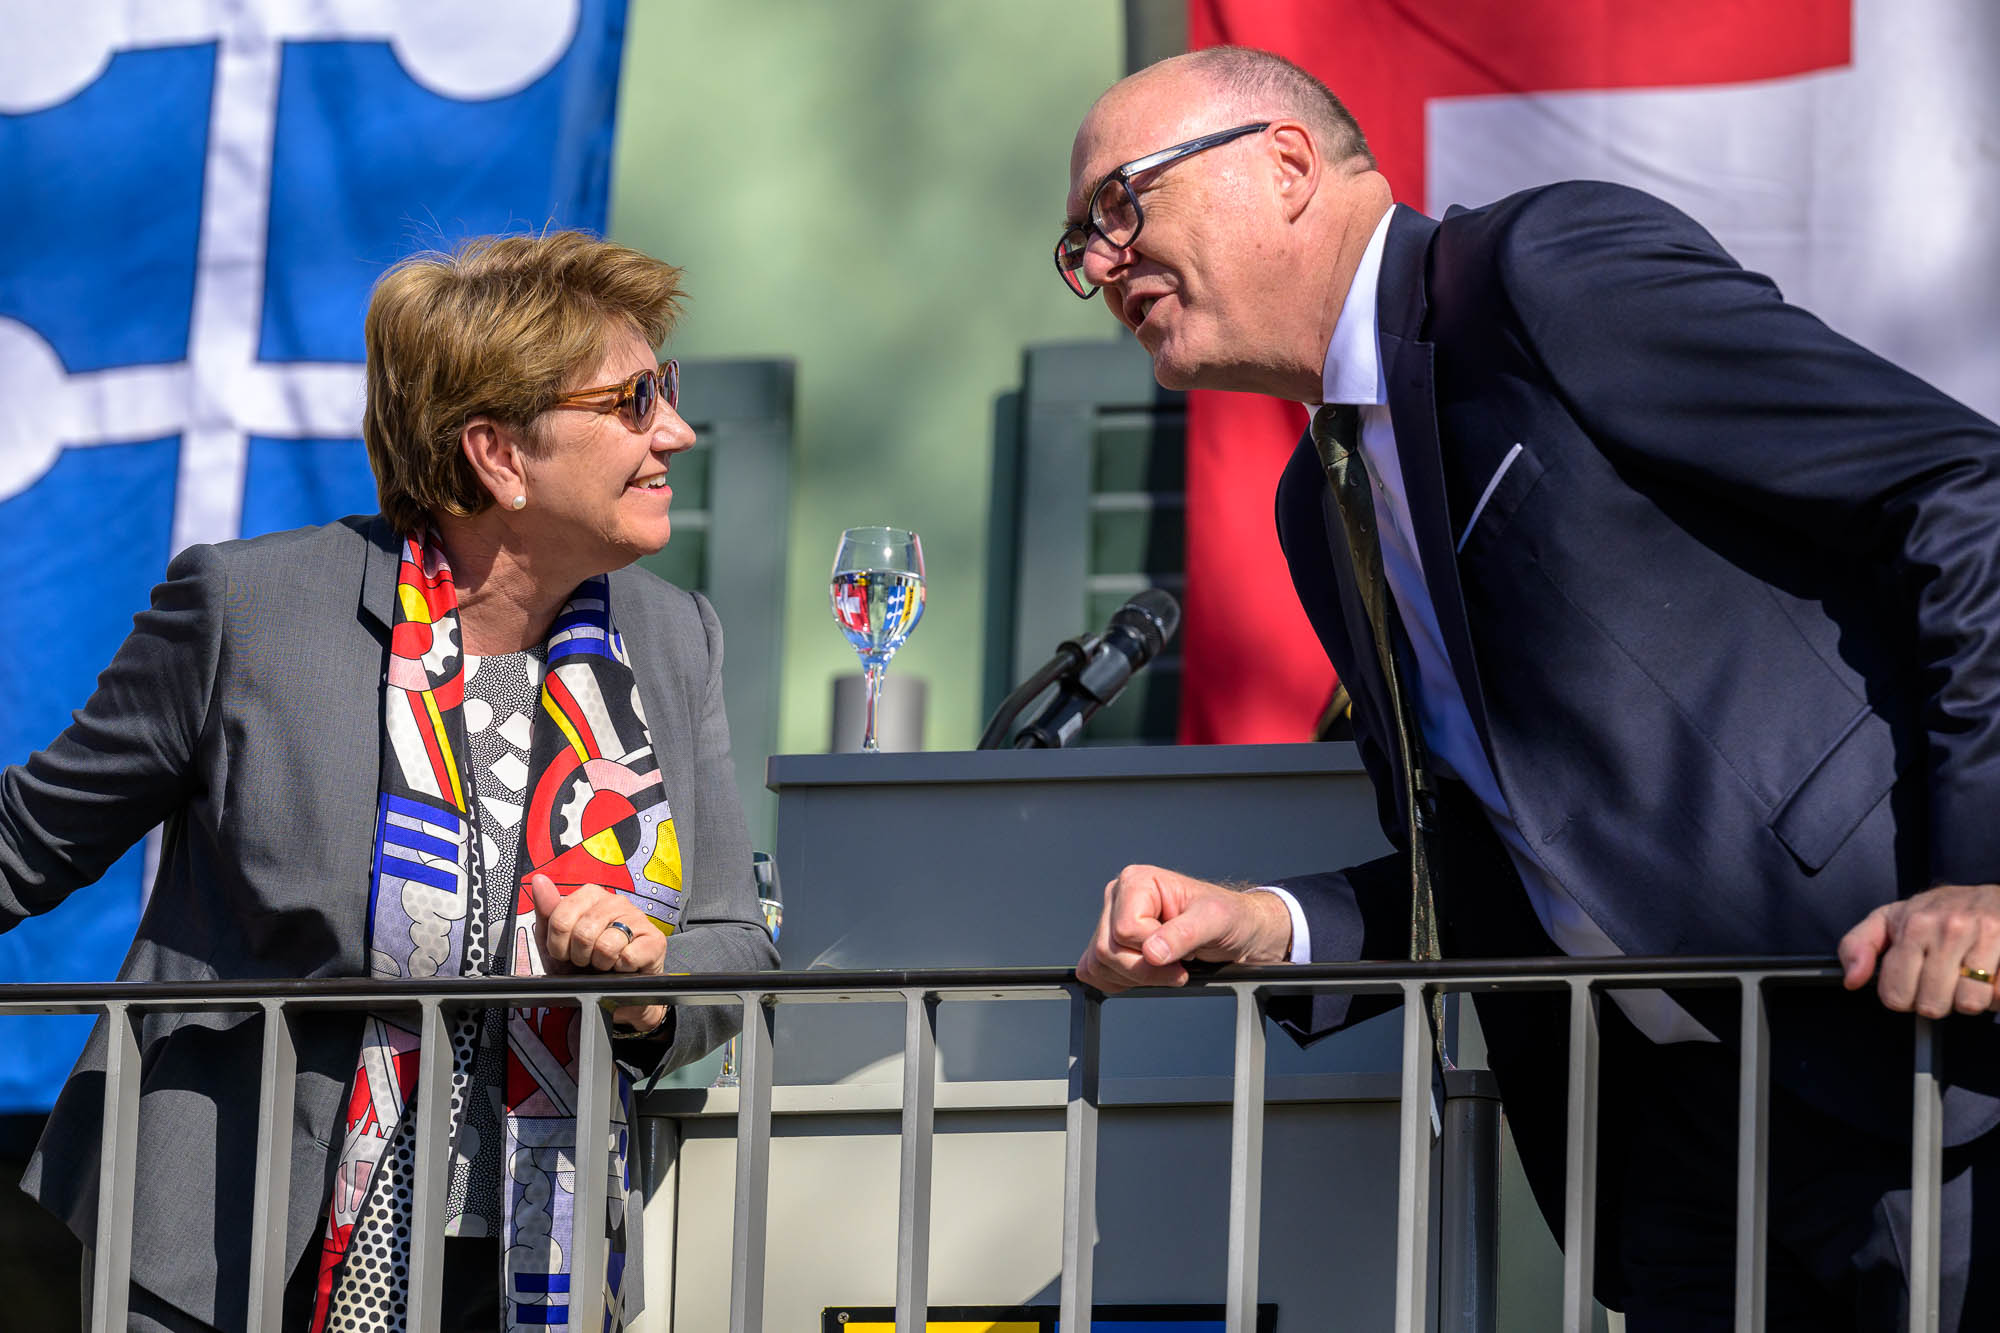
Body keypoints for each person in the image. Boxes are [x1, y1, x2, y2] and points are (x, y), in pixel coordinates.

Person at [1064, 46, 2000, 1329]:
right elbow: (1511, 864)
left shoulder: (1535, 276)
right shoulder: (1313, 511)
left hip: (1897, 1061)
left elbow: (1963, 495)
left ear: (1282, 165)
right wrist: (1266, 924)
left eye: (1119, 209)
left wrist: (1981, 873)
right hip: (1666, 1170)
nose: (1103, 266)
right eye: (1080, 248)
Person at [0, 231, 779, 1332]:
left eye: (669, 390)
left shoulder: (674, 637)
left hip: (532, 1247)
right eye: (633, 399)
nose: (676, 432)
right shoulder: (250, 611)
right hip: (233, 1242)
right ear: (497, 454)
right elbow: (24, 845)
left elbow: (731, 941)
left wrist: (647, 987)